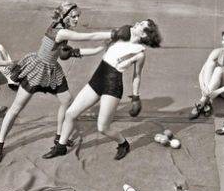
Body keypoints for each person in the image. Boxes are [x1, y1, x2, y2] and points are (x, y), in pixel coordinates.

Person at [0, 2, 112, 163]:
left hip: (51, 69)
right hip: (37, 68)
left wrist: (99, 49)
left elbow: (69, 53)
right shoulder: (61, 32)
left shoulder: (62, 28)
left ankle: (59, 136)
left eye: (78, 16)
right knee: (16, 108)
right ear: (65, 16)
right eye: (74, 16)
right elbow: (87, 37)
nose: (77, 19)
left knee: (66, 99)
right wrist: (112, 34)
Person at [43, 19, 162, 161]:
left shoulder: (140, 53)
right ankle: (61, 147)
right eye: (139, 22)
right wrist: (75, 52)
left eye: (141, 25)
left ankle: (123, 143)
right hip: (97, 79)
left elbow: (137, 76)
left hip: (112, 86)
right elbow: (98, 48)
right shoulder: (121, 36)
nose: (137, 23)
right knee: (70, 113)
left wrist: (136, 97)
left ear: (144, 35)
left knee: (103, 128)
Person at [189, 28, 224, 120]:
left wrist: (216, 92)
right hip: (213, 87)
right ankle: (207, 101)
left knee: (219, 70)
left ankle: (203, 101)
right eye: (222, 40)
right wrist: (203, 87)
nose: (223, 43)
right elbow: (202, 72)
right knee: (210, 63)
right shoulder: (217, 52)